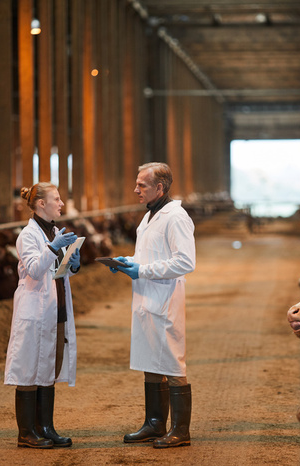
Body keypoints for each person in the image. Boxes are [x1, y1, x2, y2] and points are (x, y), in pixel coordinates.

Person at [111, 162, 196, 448]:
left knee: (172, 363)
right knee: (151, 361)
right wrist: (128, 262)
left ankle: (180, 431)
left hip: (166, 300)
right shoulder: (148, 218)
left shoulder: (176, 217)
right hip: (147, 298)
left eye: (141, 185)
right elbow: (148, 256)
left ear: (159, 188)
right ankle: (155, 423)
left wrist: (143, 271)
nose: (136, 189)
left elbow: (185, 262)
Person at [4, 182, 81, 449]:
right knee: (29, 369)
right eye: (57, 199)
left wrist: (72, 261)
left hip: (54, 309)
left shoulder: (54, 231)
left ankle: (46, 428)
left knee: (49, 367)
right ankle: (27, 432)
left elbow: (56, 271)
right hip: (34, 310)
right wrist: (53, 247)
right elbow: (36, 270)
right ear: (41, 204)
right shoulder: (28, 235)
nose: (61, 204)